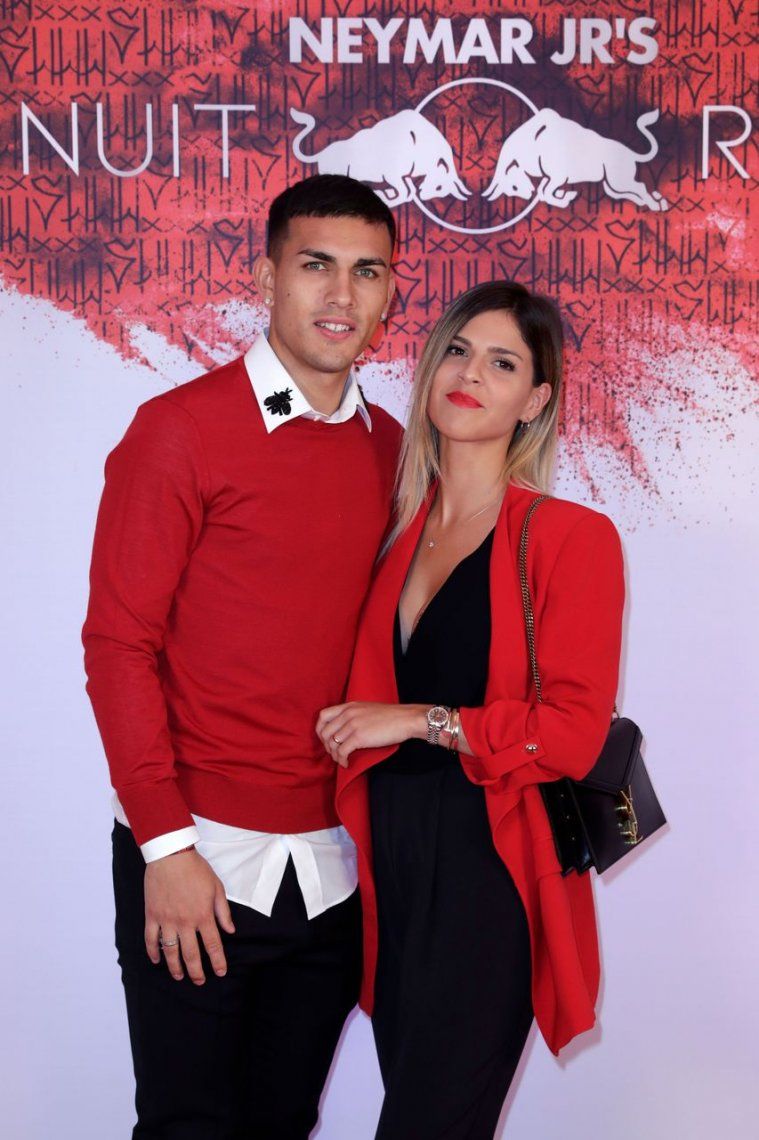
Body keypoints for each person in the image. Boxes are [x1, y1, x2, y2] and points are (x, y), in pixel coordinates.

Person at [82, 174, 401, 1140]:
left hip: (334, 866)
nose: (340, 295)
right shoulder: (180, 430)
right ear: (266, 277)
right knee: (186, 1128)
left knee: (282, 1125)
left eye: (367, 272)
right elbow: (117, 644)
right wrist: (165, 849)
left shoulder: (394, 450)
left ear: (390, 291)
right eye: (315, 266)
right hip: (199, 858)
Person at [317, 281, 625, 1139]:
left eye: (501, 364)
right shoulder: (392, 530)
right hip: (391, 867)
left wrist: (416, 718)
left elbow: (572, 734)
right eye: (456, 351)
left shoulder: (570, 537)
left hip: (489, 874)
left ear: (534, 401)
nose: (470, 375)